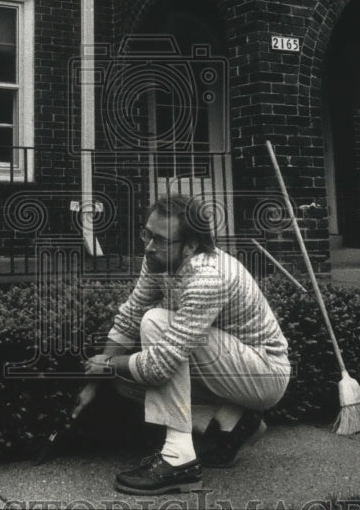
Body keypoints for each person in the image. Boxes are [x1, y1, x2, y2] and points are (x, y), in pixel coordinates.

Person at [79, 194, 291, 496]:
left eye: (160, 239)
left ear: (190, 245)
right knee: (122, 382)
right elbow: (129, 315)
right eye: (147, 234)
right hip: (225, 367)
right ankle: (234, 422)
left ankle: (179, 459)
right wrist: (95, 383)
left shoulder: (208, 276)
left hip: (264, 372)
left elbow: (161, 364)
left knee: (155, 323)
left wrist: (109, 363)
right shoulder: (157, 259)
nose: (149, 246)